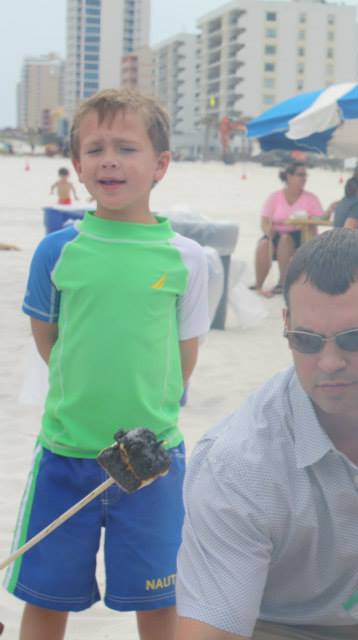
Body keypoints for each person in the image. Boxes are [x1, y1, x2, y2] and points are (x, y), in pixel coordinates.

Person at [12, 89, 209, 640]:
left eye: (126, 147)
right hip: (66, 453)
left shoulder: (187, 257)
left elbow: (184, 353)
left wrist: (152, 413)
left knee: (160, 600)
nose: (109, 161)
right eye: (95, 149)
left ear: (160, 164)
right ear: (77, 165)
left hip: (153, 460)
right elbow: (49, 340)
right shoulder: (57, 250)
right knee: (46, 598)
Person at [175, 229, 358, 640]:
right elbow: (211, 630)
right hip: (288, 628)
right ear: (287, 327)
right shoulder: (237, 466)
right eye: (306, 340)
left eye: (355, 338)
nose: (329, 362)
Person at [251, 161, 325, 297]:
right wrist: (268, 231)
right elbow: (265, 220)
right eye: (300, 175)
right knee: (263, 244)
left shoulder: (311, 198)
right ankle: (259, 284)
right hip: (276, 232)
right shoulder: (275, 197)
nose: (304, 178)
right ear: (289, 176)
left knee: (285, 240)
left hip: (300, 234)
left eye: (305, 175)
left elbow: (319, 220)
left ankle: (282, 282)